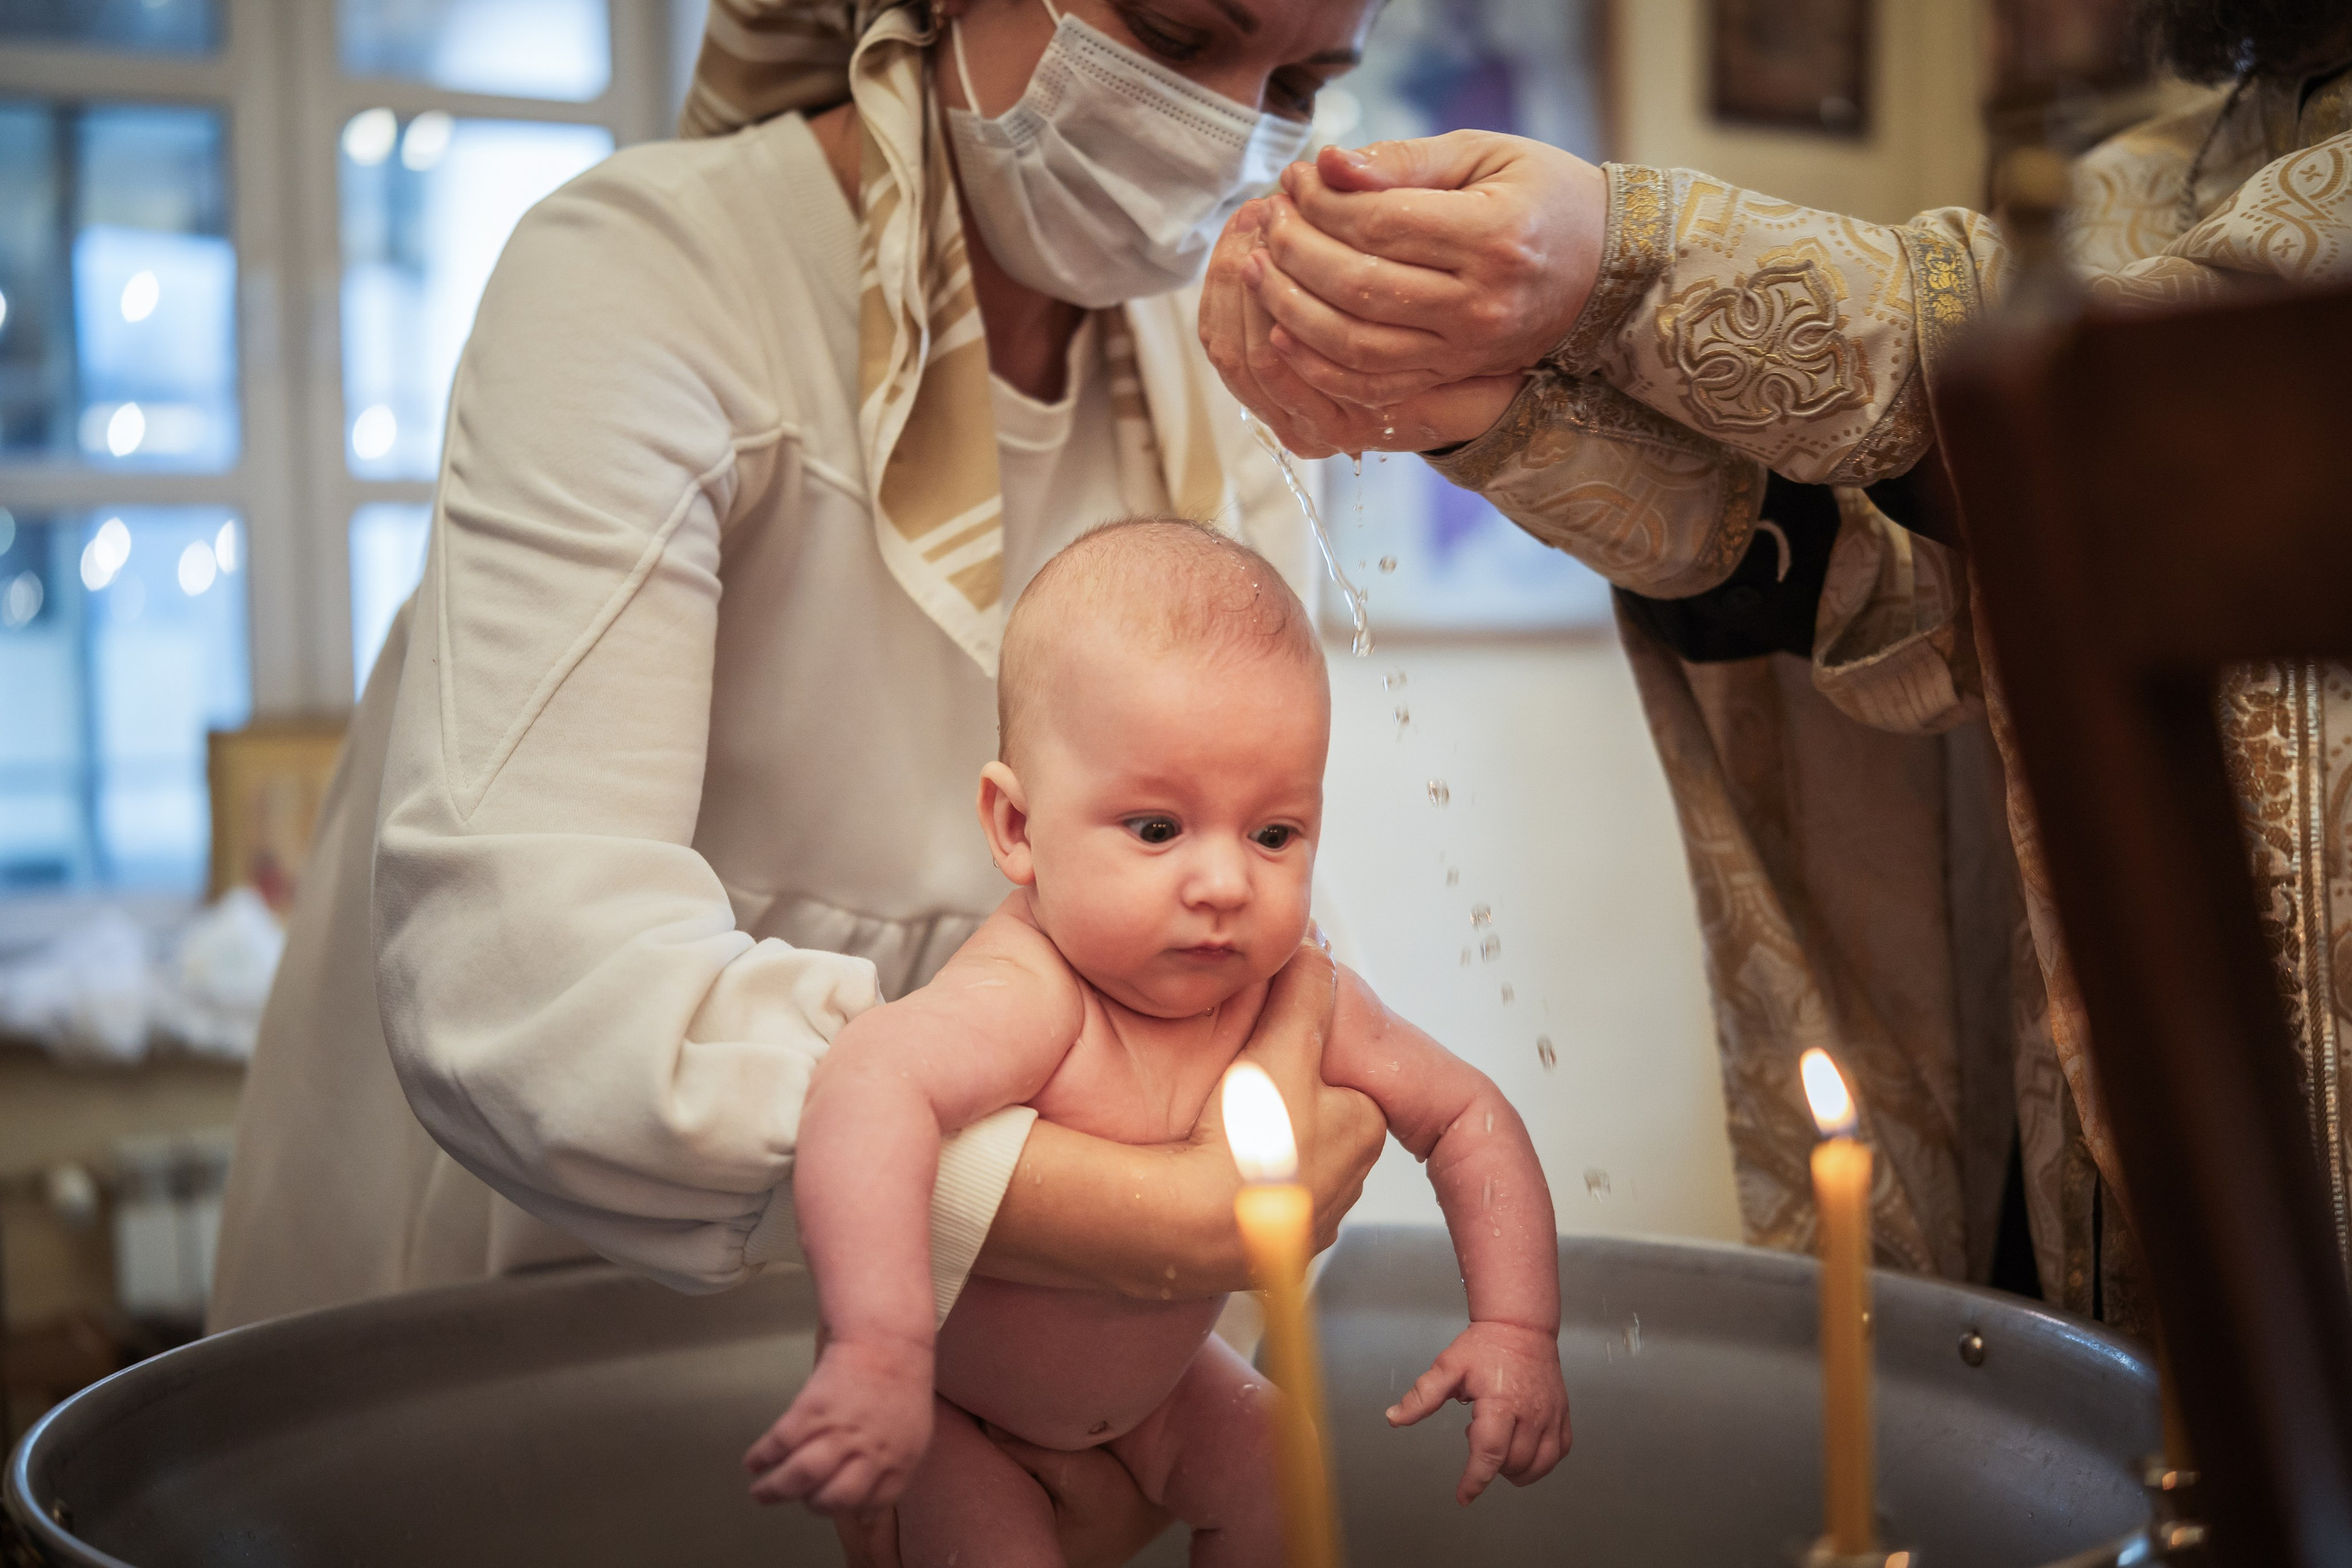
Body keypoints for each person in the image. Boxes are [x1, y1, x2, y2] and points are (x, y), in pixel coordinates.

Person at [210, 0, 1395, 1556]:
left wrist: (1126, 1372)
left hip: (976, 1382)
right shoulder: (650, 280)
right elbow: (528, 985)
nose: (1232, 127)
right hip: (533, 1319)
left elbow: (1189, 942)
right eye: (1179, 38)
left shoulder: (1212, 411)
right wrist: (1092, 1219)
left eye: (1299, 82)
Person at [1199, 0, 2352, 1331]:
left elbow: (2152, 401)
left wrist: (1622, 257)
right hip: (2108, 1181)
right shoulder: (2139, 184)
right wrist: (1497, 416)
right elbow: (1887, 599)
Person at [752, 521, 1569, 1561]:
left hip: (1160, 1395)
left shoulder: (1292, 994)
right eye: (1156, 829)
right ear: (1016, 829)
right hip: (961, 1412)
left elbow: (1466, 1115)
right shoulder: (1032, 990)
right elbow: (867, 1083)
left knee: (1286, 1462)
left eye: (1274, 834)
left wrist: (1515, 1327)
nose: (1226, 884)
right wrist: (877, 1350)